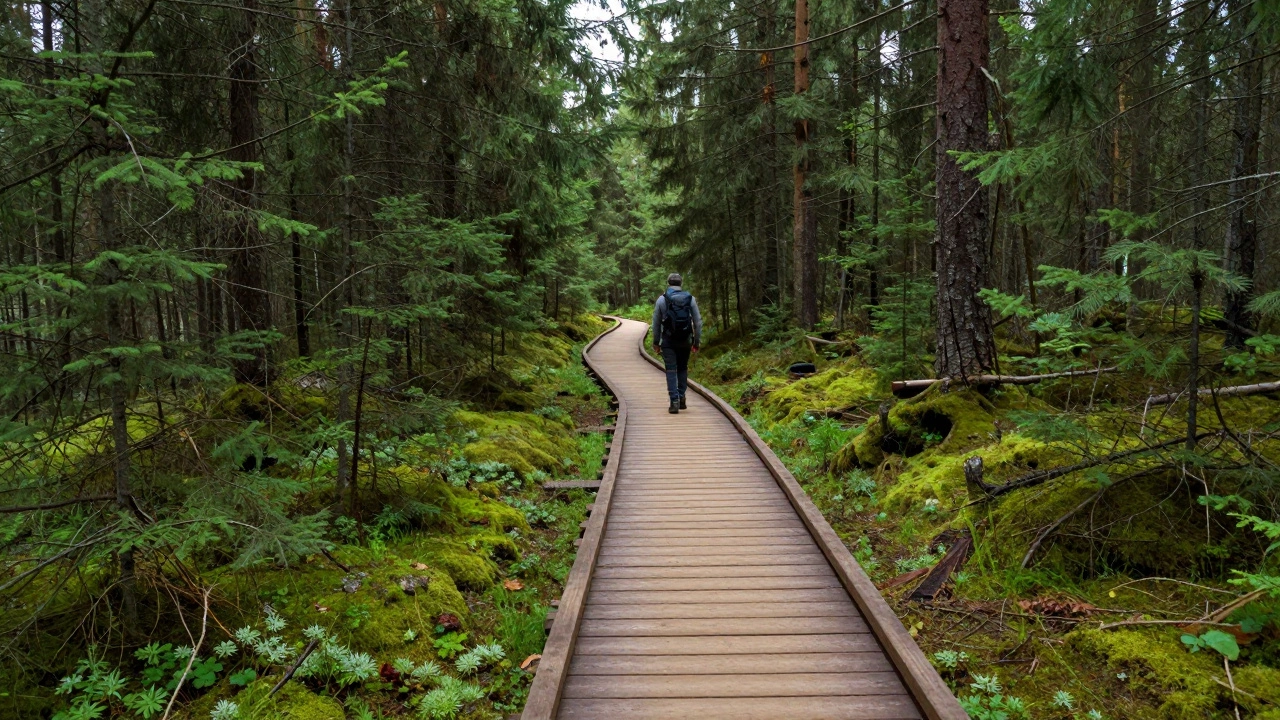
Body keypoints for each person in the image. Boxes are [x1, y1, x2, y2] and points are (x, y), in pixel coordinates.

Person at [651, 273, 702, 414]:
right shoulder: (690, 299)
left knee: (671, 369)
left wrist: (656, 342)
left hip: (668, 341)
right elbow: (697, 322)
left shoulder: (662, 299)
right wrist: (696, 342)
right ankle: (682, 397)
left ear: (668, 283)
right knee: (682, 368)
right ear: (681, 283)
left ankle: (674, 402)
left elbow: (656, 323)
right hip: (685, 340)